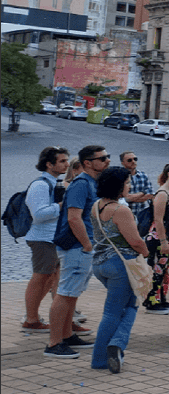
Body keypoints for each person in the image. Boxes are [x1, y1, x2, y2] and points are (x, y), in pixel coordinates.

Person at [46, 145, 109, 358]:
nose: (107, 161)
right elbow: (74, 217)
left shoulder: (90, 182)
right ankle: (54, 343)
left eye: (107, 157)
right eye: (102, 158)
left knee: (72, 294)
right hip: (76, 247)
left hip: (81, 247)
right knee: (65, 293)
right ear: (88, 163)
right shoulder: (81, 184)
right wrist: (87, 244)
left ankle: (66, 335)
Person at [90, 167, 149, 374]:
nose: (129, 186)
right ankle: (107, 353)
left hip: (100, 263)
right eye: (127, 183)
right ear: (118, 185)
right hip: (121, 265)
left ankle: (113, 349)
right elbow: (135, 241)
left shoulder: (96, 205)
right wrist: (146, 253)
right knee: (122, 309)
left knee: (122, 307)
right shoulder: (120, 210)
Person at [22, 146, 70, 333]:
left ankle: (36, 317)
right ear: (49, 164)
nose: (67, 164)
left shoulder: (53, 183)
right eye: (62, 161)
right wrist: (61, 205)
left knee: (49, 279)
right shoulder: (40, 185)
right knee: (40, 278)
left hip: (52, 238)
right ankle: (31, 320)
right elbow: (39, 215)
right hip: (42, 239)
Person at [143, 164, 169, 314]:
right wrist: (163, 241)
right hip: (160, 237)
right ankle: (151, 301)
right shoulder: (162, 194)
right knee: (157, 270)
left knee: (167, 270)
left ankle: (161, 298)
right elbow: (158, 220)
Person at [119, 151, 153, 223]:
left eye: (135, 159)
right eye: (129, 160)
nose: (133, 161)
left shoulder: (143, 176)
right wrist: (143, 193)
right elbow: (121, 198)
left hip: (142, 216)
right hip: (124, 217)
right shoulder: (119, 177)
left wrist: (129, 198)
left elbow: (150, 195)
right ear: (123, 163)